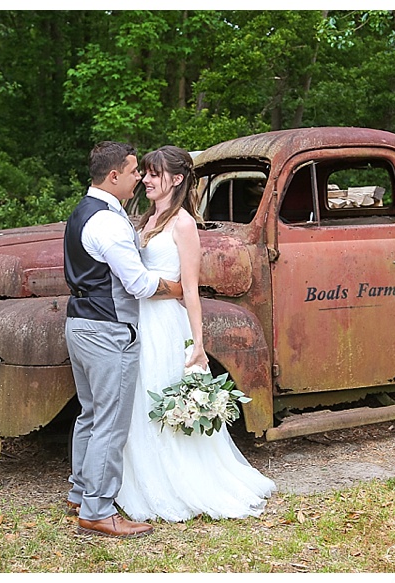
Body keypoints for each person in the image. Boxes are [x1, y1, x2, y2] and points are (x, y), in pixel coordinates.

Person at [115, 145, 276, 522]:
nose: (147, 180)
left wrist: (199, 345)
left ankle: (174, 481)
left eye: (154, 174)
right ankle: (136, 476)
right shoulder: (147, 219)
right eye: (147, 173)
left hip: (165, 324)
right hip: (140, 319)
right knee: (138, 402)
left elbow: (190, 288)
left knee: (159, 397)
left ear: (175, 179)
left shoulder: (183, 224)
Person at [64, 141, 183, 539]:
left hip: (80, 325)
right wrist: (178, 287)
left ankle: (81, 494)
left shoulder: (83, 211)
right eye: (134, 171)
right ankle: (98, 511)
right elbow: (138, 283)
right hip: (107, 330)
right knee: (110, 424)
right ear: (114, 176)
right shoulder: (110, 223)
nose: (139, 178)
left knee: (91, 414)